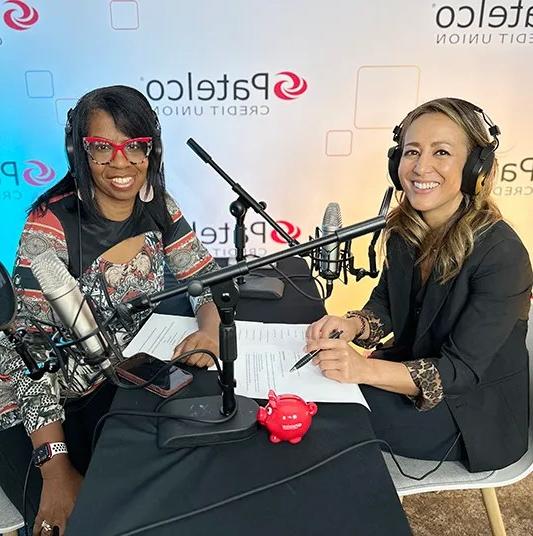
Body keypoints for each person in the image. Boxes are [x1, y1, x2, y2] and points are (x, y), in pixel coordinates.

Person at [0, 85, 221, 535]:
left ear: (150, 149)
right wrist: (55, 470)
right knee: (71, 521)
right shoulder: (50, 226)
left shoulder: (158, 203)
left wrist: (211, 328)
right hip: (33, 403)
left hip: (113, 378)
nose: (120, 163)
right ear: (78, 151)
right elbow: (25, 357)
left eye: (134, 146)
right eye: (102, 147)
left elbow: (205, 280)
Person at [306, 98, 532, 473]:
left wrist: (363, 371)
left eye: (441, 152)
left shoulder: (502, 254)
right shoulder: (406, 230)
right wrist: (353, 325)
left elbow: (460, 372)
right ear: (397, 164)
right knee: (317, 398)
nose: (421, 166)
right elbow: (386, 304)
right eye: (412, 152)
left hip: (468, 415)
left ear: (476, 167)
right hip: (413, 377)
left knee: (327, 418)